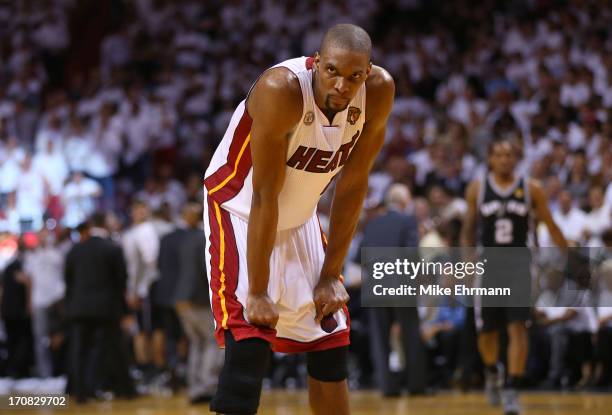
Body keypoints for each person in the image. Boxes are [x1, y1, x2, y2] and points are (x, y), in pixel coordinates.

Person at [202, 24, 394, 415]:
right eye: (333, 72)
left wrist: (330, 276)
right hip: (240, 209)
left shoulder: (378, 92)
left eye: (355, 76)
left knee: (330, 340)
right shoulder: (282, 91)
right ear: (317, 63)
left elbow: (353, 187)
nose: (343, 85)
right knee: (250, 343)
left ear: (368, 72)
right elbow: (264, 194)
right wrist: (257, 290)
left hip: (301, 216)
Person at [461, 139, 567, 415]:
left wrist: (573, 257)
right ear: (491, 159)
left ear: (516, 159)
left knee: (518, 327)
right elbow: (468, 230)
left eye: (509, 155)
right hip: (488, 267)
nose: (504, 159)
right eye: (499, 154)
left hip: (520, 265)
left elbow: (551, 224)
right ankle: (492, 371)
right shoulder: (478, 188)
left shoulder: (532, 189)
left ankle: (512, 387)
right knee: (487, 331)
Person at [359, 184, 427, 396]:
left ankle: (387, 387)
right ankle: (415, 385)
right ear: (405, 203)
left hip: (375, 286)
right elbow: (411, 254)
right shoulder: (408, 221)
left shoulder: (372, 224)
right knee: (410, 335)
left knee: (380, 340)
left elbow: (360, 257)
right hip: (400, 284)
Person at [64, 214, 134, 403]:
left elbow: (68, 281)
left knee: (79, 350)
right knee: (114, 348)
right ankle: (124, 390)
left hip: (78, 309)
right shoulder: (112, 249)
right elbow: (122, 282)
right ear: (104, 225)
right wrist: (125, 311)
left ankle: (79, 393)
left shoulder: (74, 250)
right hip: (107, 308)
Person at [174, 203, 223, 403]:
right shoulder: (204, 237)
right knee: (212, 341)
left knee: (197, 342)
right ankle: (207, 385)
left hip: (180, 297)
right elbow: (207, 271)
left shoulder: (183, 239)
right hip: (198, 298)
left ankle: (195, 386)